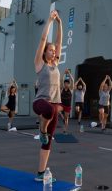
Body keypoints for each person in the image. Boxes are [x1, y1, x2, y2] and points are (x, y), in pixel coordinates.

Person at [32, 10, 62, 182]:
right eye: (49, 50)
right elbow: (44, 40)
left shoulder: (55, 64)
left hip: (53, 107)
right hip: (40, 103)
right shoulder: (39, 64)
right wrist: (50, 20)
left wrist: (60, 23)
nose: (52, 51)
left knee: (47, 142)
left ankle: (40, 173)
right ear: (44, 53)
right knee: (49, 110)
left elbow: (59, 41)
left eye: (53, 50)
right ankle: (41, 130)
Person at [60, 69, 74, 133]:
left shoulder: (71, 90)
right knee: (57, 111)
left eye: (67, 83)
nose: (66, 84)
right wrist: (64, 73)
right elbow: (61, 80)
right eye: (65, 83)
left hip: (67, 106)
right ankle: (62, 117)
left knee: (66, 118)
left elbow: (72, 81)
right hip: (61, 105)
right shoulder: (62, 89)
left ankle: (65, 129)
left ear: (69, 84)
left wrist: (69, 74)